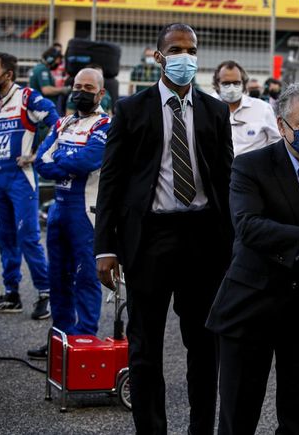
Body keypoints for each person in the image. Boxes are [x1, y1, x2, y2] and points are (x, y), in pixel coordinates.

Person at [94, 24, 234, 435]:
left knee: (205, 347)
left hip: (204, 240)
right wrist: (105, 247)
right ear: (158, 57)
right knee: (144, 348)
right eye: (176, 49)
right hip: (149, 239)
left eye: (191, 49)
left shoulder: (213, 111)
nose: (185, 57)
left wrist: (235, 240)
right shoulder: (131, 110)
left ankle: (200, 429)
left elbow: (226, 181)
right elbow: (111, 182)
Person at [206, 83, 299, 435]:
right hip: (252, 304)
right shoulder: (250, 166)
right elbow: (248, 227)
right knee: (237, 416)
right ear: (282, 126)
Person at [27, 68, 110, 359]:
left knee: (86, 277)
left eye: (89, 87)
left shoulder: (105, 125)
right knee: (57, 277)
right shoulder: (61, 123)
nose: (82, 91)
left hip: (85, 213)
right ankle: (60, 341)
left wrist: (61, 156)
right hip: (59, 210)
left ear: (100, 93)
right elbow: (41, 161)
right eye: (78, 86)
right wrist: (67, 159)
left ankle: (85, 340)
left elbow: (88, 160)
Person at [0, 52, 57, 319]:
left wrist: (37, 154)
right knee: (5, 238)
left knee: (28, 238)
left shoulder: (27, 97)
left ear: (8, 74)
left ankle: (46, 292)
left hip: (21, 179)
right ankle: (12, 294)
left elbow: (56, 124)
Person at [212, 60, 281, 155]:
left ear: (243, 84)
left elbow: (276, 142)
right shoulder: (208, 108)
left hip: (254, 168)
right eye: (226, 83)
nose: (231, 88)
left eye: (236, 83)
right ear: (217, 84)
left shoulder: (262, 108)